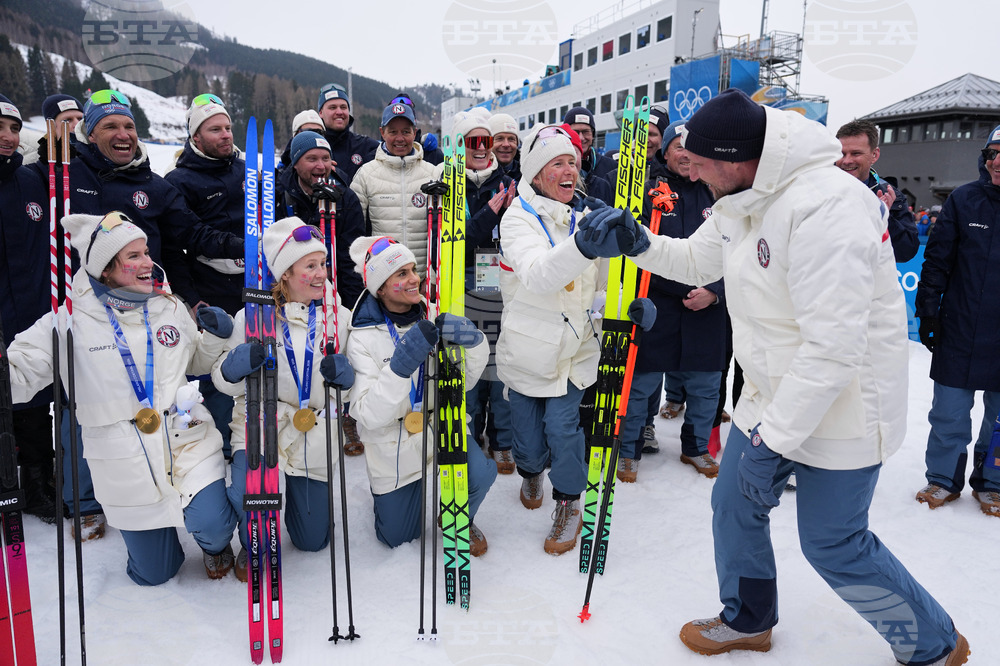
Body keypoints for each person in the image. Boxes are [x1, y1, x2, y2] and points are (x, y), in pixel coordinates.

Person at [611, 89, 967, 664]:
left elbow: (832, 349)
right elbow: (697, 260)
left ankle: (932, 641)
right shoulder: (741, 194)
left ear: (733, 158)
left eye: (699, 161)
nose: (690, 169)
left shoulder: (828, 205)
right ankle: (748, 619)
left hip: (844, 407)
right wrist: (637, 242)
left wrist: (773, 443)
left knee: (832, 542)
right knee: (732, 506)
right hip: (769, 393)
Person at [6, 211, 239, 584]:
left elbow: (195, 358)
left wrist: (214, 336)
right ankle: (154, 548)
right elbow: (19, 375)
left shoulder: (170, 306)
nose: (149, 262)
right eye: (134, 257)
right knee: (154, 573)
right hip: (123, 458)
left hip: (186, 439)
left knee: (212, 524)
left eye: (146, 252)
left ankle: (215, 545)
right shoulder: (68, 322)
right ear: (105, 269)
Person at [495, 124, 653, 555]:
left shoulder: (585, 214)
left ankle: (569, 503)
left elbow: (600, 286)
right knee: (527, 439)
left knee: (564, 430)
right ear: (535, 173)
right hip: (528, 349)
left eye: (572, 162)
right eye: (557, 163)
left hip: (575, 350)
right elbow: (538, 275)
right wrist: (585, 244)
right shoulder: (517, 217)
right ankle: (531, 470)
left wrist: (625, 308)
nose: (569, 170)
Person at [212, 216, 354, 580]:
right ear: (285, 274)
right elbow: (219, 377)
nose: (321, 273)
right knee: (252, 495)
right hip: (263, 424)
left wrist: (346, 381)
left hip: (314, 427)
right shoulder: (253, 317)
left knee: (312, 541)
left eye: (323, 264)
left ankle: (297, 516)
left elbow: (353, 386)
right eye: (310, 266)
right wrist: (232, 368)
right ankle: (249, 537)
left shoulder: (338, 317)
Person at [344, 235, 496, 551]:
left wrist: (475, 342)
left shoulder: (434, 313)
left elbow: (464, 382)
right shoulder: (360, 337)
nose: (414, 279)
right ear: (380, 287)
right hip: (393, 439)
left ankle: (458, 516)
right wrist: (399, 369)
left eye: (413, 269)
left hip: (439, 425)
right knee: (397, 538)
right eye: (401, 273)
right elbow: (368, 415)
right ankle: (388, 503)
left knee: (480, 475)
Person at [616, 119, 724, 482]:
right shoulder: (648, 190)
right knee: (642, 385)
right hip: (659, 303)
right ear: (667, 151)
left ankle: (696, 448)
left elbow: (739, 251)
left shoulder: (721, 193)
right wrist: (679, 287)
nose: (686, 155)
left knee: (706, 385)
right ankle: (628, 450)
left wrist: (715, 291)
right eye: (679, 147)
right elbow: (638, 247)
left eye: (693, 149)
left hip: (708, 306)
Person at [68, 90, 243, 311]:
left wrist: (242, 247)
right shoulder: (64, 176)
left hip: (145, 305)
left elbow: (189, 235)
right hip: (82, 305)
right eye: (110, 126)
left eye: (129, 127)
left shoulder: (155, 187)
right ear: (90, 134)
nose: (123, 135)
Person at [914, 124, 1000, 518]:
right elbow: (936, 262)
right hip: (960, 327)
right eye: (993, 153)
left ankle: (993, 482)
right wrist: (928, 311)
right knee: (948, 412)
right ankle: (943, 479)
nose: (998, 161)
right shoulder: (964, 200)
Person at [164, 94, 246, 459]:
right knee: (215, 364)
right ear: (195, 137)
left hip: (254, 279)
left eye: (228, 127)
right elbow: (179, 243)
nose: (226, 134)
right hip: (210, 282)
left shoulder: (246, 169)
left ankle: (248, 435)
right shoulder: (180, 180)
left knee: (253, 355)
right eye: (215, 129)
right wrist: (190, 297)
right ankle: (219, 443)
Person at [443, 111, 517, 473]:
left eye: (486, 141)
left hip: (494, 276)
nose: (482, 148)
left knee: (498, 360)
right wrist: (488, 214)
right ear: (459, 143)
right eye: (473, 141)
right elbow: (456, 239)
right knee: (466, 358)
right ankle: (470, 433)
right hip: (456, 279)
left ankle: (502, 438)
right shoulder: (445, 182)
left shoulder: (507, 182)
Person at [0, 94, 59, 522]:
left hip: (33, 315)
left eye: (15, 128)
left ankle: (39, 483)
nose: (8, 137)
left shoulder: (32, 181)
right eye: (0, 128)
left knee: (36, 403)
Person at [276, 130, 365, 310]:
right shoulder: (279, 196)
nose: (321, 166)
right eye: (312, 159)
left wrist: (351, 308)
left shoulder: (346, 198)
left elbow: (351, 261)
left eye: (325, 158)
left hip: (333, 297)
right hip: (289, 296)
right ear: (295, 163)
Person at [350, 102, 436, 271]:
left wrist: (433, 276)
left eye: (406, 131)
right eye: (393, 132)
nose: (400, 138)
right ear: (382, 133)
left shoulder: (432, 173)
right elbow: (353, 232)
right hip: (384, 278)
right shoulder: (366, 174)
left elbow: (443, 233)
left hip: (424, 279)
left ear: (415, 133)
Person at [836, 119, 918, 262]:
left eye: (856, 153)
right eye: (842, 154)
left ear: (874, 155)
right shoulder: (815, 188)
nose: (847, 161)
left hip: (866, 281)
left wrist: (882, 216)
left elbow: (906, 252)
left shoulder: (890, 195)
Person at [316, 82, 379, 183]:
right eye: (332, 107)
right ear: (320, 113)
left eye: (343, 107)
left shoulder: (365, 146)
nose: (339, 112)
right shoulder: (311, 146)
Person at [563, 106, 616, 183]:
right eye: (575, 132)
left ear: (593, 135)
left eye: (586, 132)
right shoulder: (557, 167)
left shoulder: (611, 167)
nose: (581, 138)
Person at [489, 113, 521, 181]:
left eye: (511, 139)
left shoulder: (528, 176)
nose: (506, 144)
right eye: (499, 138)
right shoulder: (476, 178)